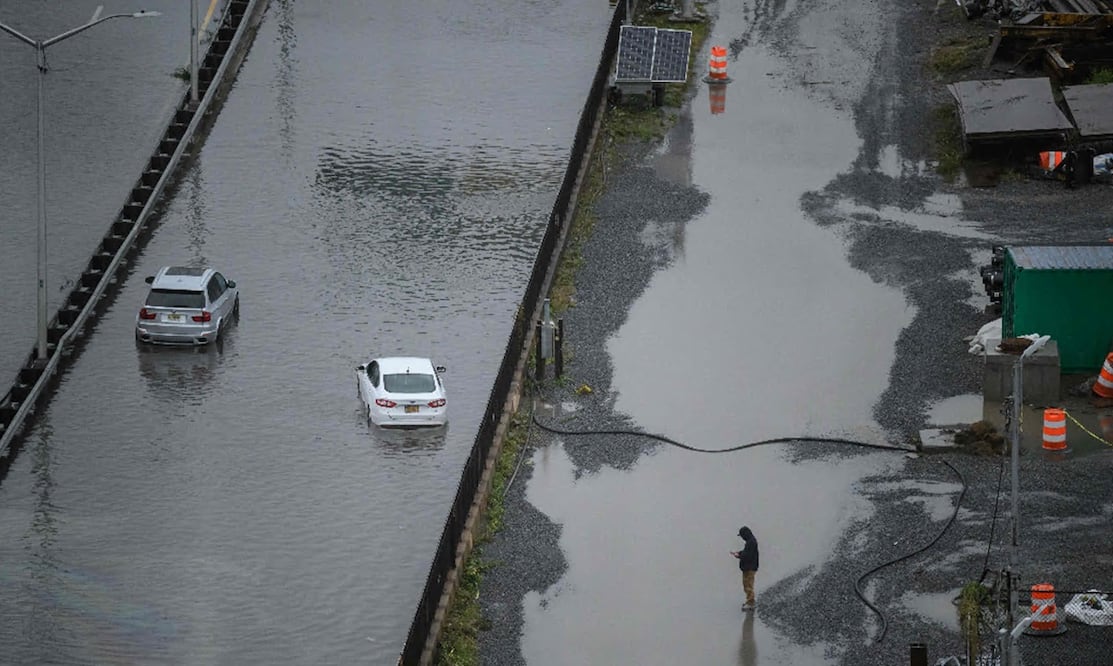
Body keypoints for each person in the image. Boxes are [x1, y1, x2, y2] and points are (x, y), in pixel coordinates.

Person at [730, 526, 759, 611]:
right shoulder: (751, 541)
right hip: (749, 567)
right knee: (747, 585)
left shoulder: (751, 542)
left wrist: (738, 555)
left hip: (750, 568)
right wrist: (739, 552)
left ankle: (751, 603)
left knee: (748, 585)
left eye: (742, 535)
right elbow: (747, 552)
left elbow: (747, 556)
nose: (742, 538)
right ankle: (749, 601)